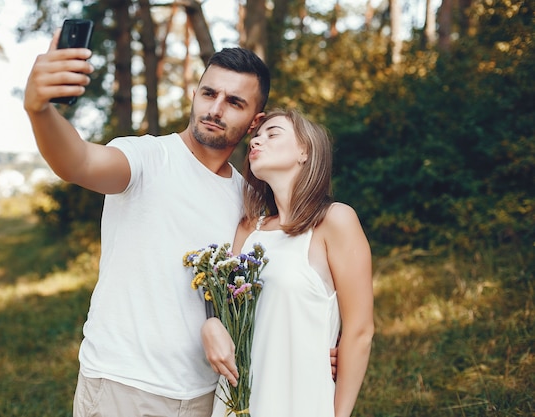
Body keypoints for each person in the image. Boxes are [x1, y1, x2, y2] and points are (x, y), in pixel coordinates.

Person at [23, 28, 274, 416]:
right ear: (195, 94)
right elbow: (78, 162)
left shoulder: (247, 199)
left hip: (204, 395)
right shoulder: (147, 157)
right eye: (209, 93)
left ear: (254, 121)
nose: (216, 108)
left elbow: (250, 295)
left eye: (234, 102)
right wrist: (40, 110)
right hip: (123, 386)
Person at [205, 109, 374, 417]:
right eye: (256, 136)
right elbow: (228, 317)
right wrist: (211, 324)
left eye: (273, 134)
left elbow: (360, 331)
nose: (257, 141)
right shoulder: (247, 229)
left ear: (304, 151)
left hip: (302, 397)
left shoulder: (334, 221)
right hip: (239, 399)